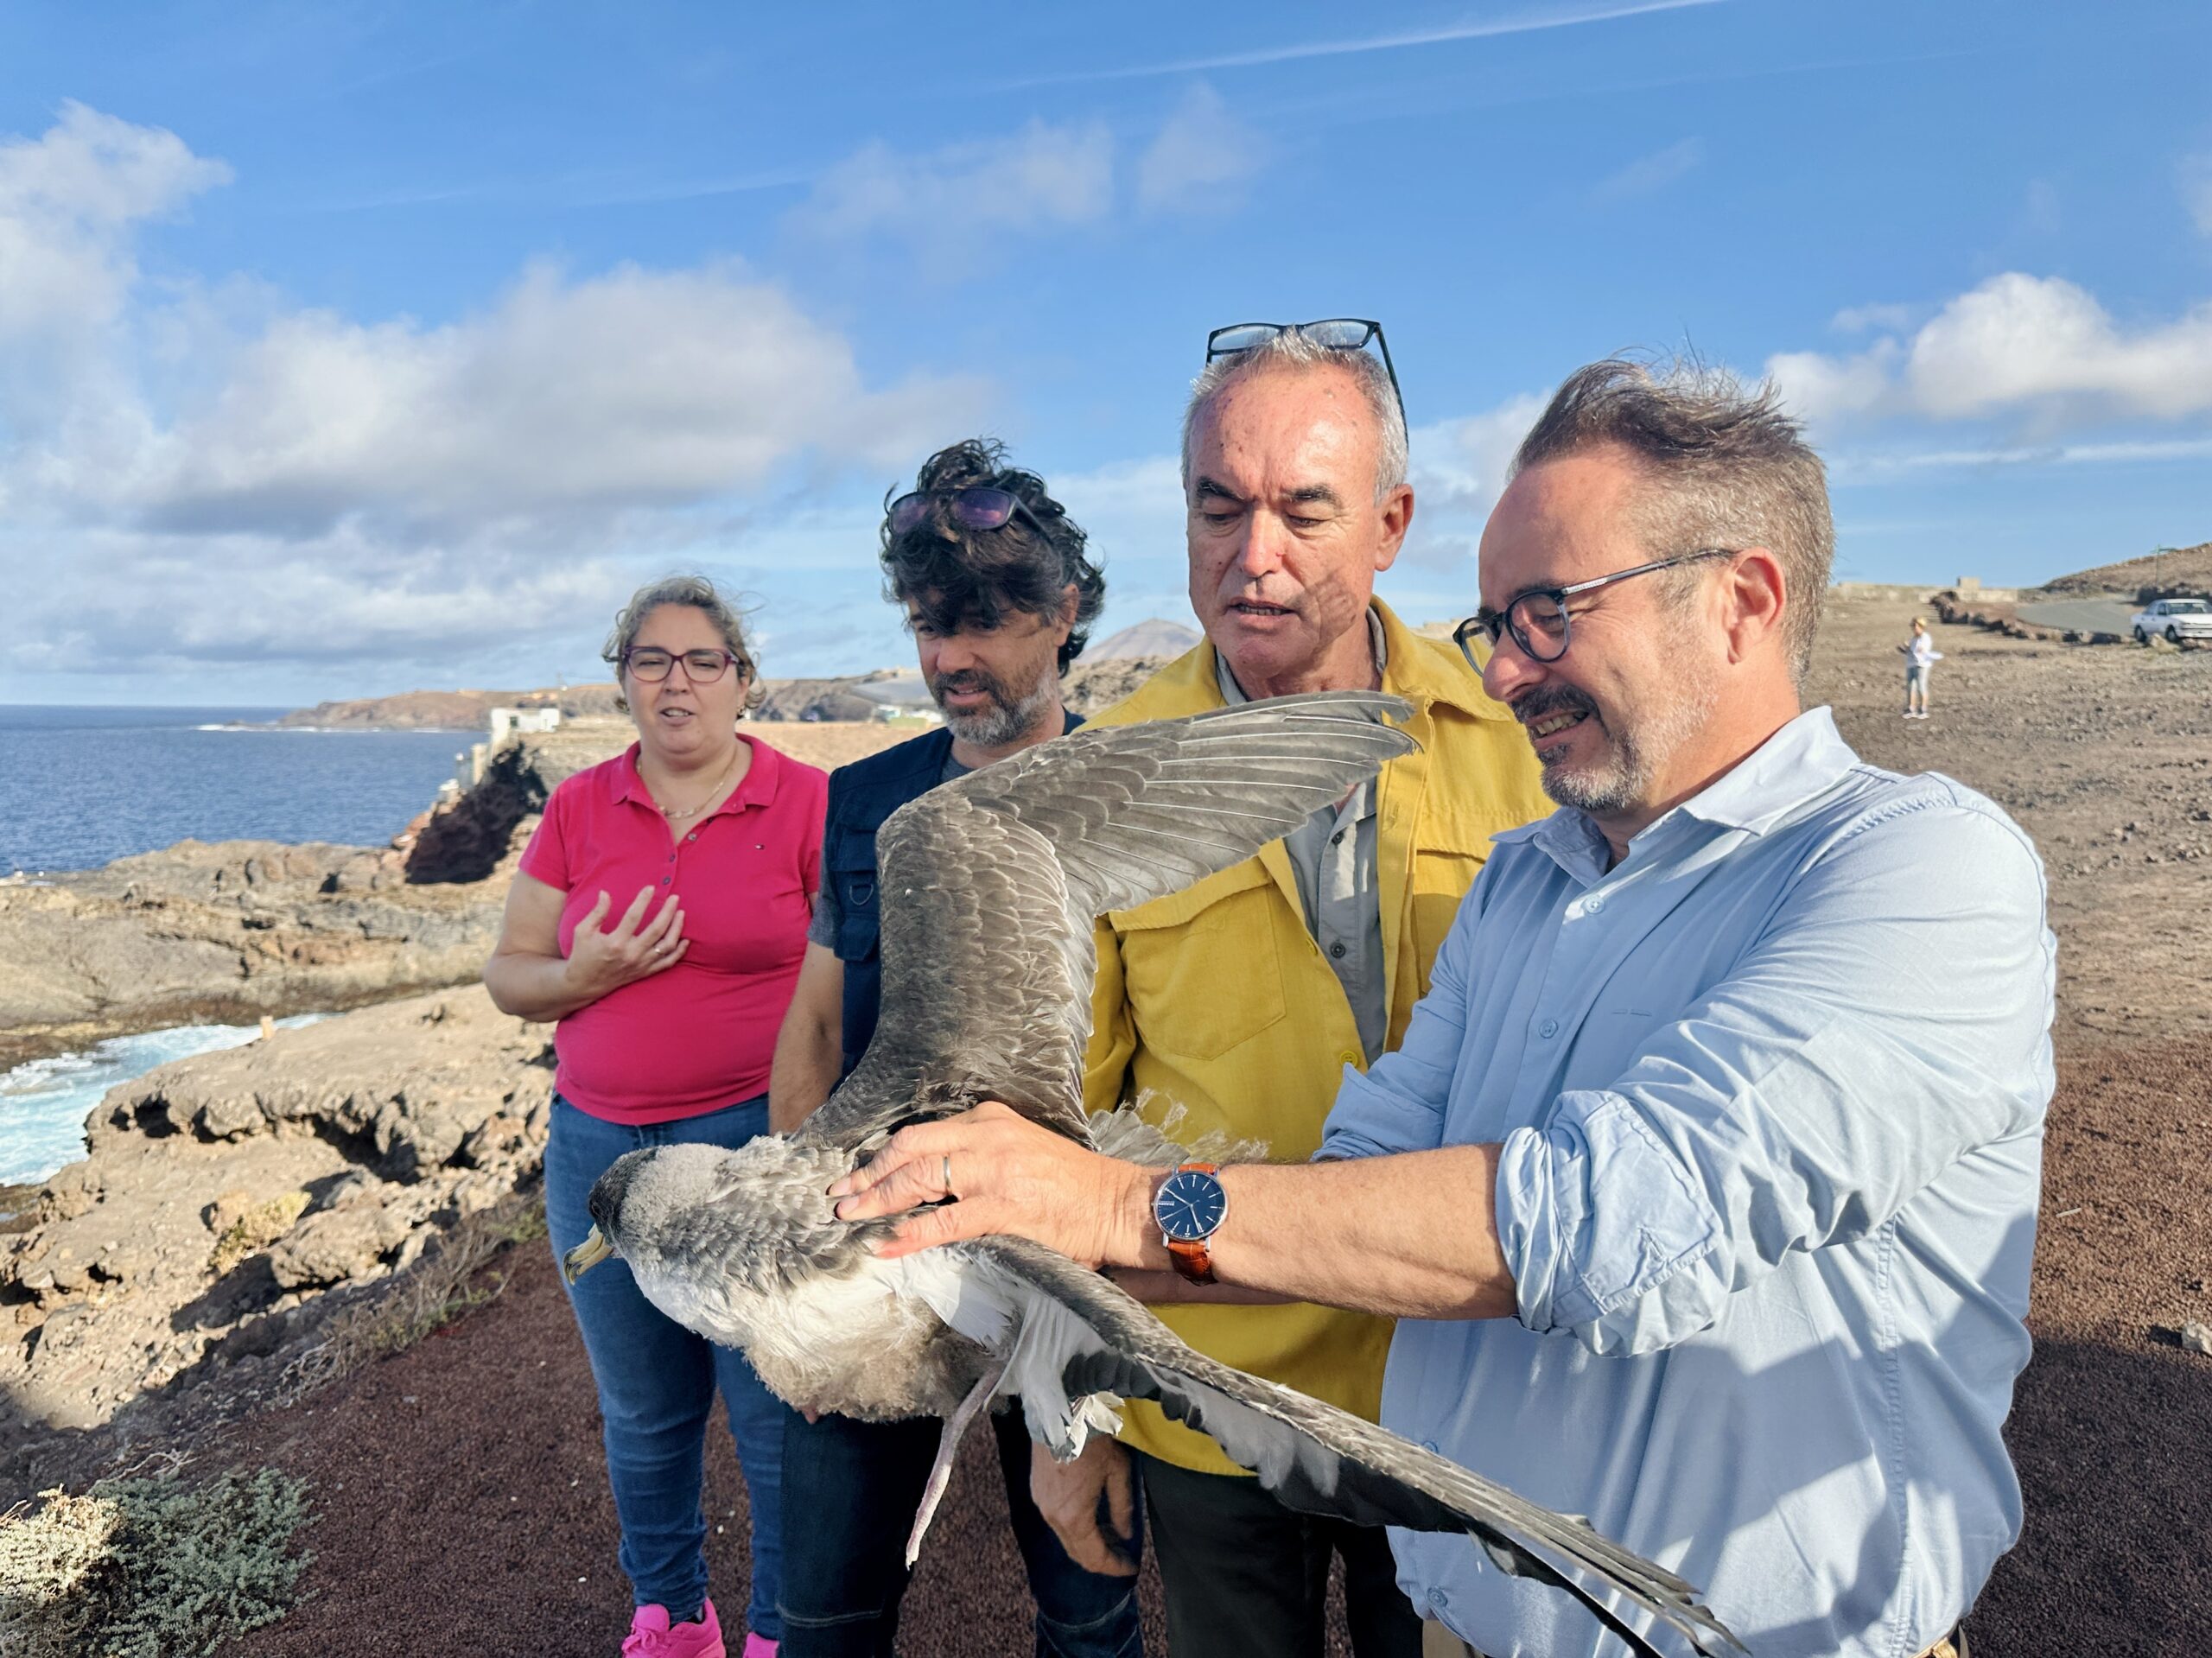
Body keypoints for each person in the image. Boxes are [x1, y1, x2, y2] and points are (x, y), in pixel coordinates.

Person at [830, 359, 2056, 1658]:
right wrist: (1001, 1278)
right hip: (1462, 1607)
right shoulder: (1527, 883)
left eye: (1549, 613)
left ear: (1740, 601)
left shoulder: (1916, 867)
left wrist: (1115, 1204)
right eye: (1495, 624)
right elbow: (1358, 1162)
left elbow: (1609, 1218)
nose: (1510, 671)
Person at [1031, 321, 1550, 1658]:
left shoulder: (1515, 738)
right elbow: (1057, 1130)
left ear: (1390, 525)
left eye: (1303, 511)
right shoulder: (1102, 777)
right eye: (1220, 507)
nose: (1252, 554)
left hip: (1452, 1381)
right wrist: (1066, 1412)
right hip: (1210, 1398)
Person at [766, 438, 1142, 1658]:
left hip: (1060, 1270)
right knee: (825, 1617)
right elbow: (814, 1023)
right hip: (874, 1255)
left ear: (1064, 611)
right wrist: (801, 1263)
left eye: (983, 620)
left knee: (1088, 1614)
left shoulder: (1130, 790)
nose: (949, 658)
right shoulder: (864, 797)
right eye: (931, 624)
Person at [486, 575, 825, 1658]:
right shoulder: (579, 807)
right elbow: (509, 972)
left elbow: (856, 981)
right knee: (643, 1410)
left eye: (701, 660)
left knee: (771, 1409)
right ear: (624, 679)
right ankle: (672, 1614)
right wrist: (581, 975)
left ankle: (778, 1628)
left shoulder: (807, 803)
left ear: (741, 678)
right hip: (596, 1148)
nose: (676, 682)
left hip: (745, 1152)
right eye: (650, 660)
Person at [1902, 616, 1942, 718]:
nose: (1914, 628)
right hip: (1911, 664)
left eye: (1915, 625)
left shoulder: (1925, 637)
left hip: (1922, 665)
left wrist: (1916, 650)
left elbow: (1922, 651)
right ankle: (1911, 709)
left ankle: (1923, 710)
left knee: (1921, 686)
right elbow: (1912, 652)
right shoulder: (1914, 639)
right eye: (1913, 626)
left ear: (1921, 626)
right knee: (1911, 686)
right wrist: (1906, 648)